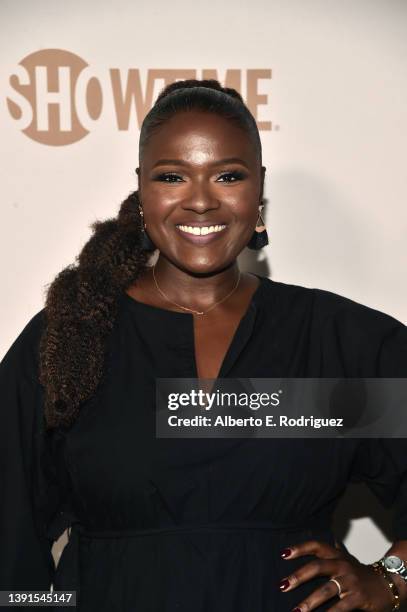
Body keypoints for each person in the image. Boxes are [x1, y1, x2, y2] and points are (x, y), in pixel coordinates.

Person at [1, 79, 406, 612]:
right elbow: (9, 550)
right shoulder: (69, 336)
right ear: (141, 189)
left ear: (257, 188)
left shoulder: (340, 341)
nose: (199, 200)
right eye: (172, 176)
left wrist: (393, 576)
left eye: (227, 175)